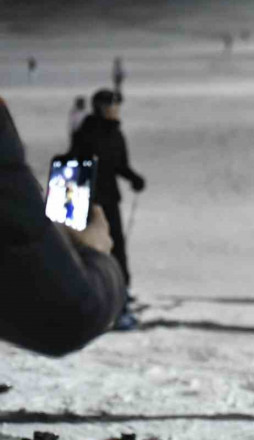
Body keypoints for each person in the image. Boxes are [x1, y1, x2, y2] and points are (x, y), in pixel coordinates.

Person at [1, 96, 126, 356]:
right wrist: (94, 254)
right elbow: (68, 313)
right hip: (96, 205)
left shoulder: (100, 131)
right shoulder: (93, 132)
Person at [69, 89, 145, 330]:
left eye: (117, 105)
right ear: (101, 107)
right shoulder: (87, 132)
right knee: (97, 250)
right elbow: (77, 163)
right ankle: (109, 306)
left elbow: (119, 164)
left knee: (118, 249)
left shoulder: (116, 133)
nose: (116, 109)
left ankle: (122, 297)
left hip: (110, 199)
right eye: (112, 104)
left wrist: (134, 178)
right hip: (91, 202)